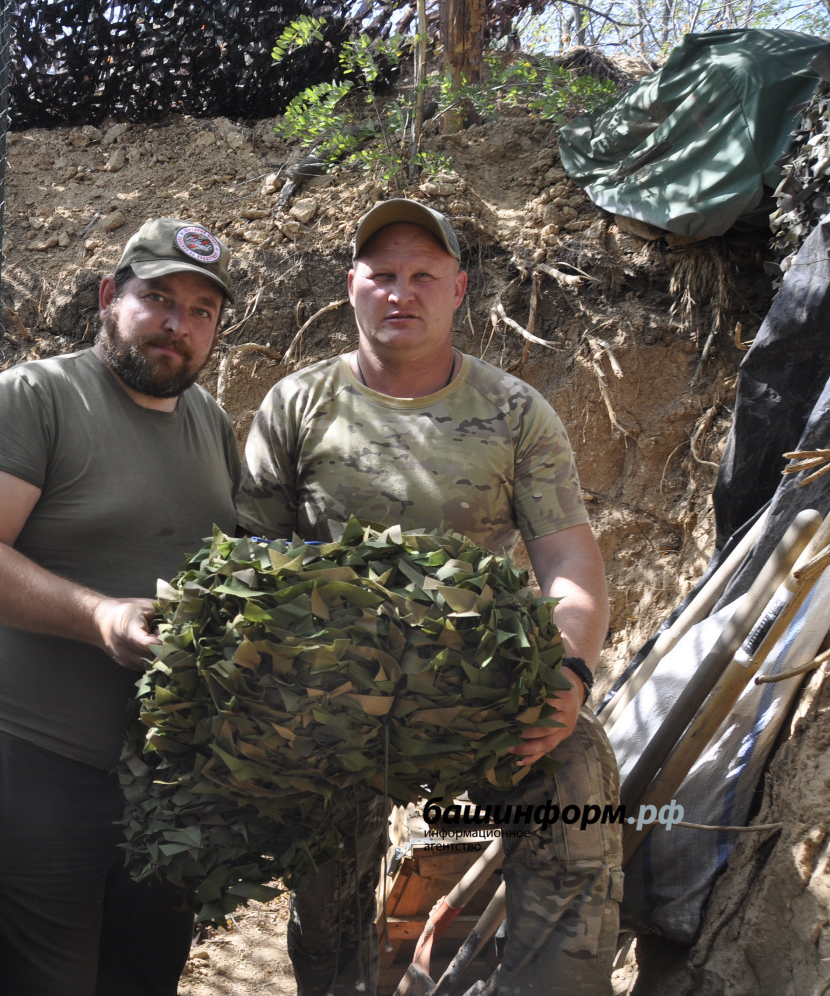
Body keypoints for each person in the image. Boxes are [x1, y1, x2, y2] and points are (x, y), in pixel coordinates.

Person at [236, 199, 623, 996]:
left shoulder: (516, 412)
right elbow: (249, 561)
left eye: (422, 275)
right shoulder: (297, 405)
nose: (400, 292)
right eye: (382, 275)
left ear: (459, 289)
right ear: (351, 286)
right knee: (328, 895)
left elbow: (567, 558)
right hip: (338, 690)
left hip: (475, 682)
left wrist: (570, 673)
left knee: (576, 776)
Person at [0, 217, 242, 996]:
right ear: (110, 297)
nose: (177, 324)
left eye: (201, 311)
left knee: (145, 973)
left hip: (168, 771)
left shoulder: (212, 423)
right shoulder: (36, 397)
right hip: (42, 761)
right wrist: (100, 616)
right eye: (158, 298)